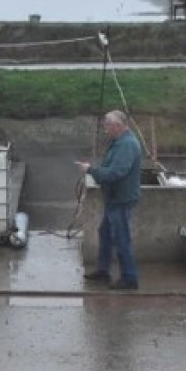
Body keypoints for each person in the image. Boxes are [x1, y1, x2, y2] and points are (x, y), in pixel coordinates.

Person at [78, 110, 143, 290]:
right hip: (114, 198)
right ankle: (103, 271)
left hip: (121, 199)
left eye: (107, 126)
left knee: (121, 239)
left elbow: (116, 172)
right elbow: (111, 167)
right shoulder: (119, 142)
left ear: (117, 126)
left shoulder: (127, 145)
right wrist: (97, 170)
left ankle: (129, 279)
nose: (105, 129)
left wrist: (91, 170)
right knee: (105, 233)